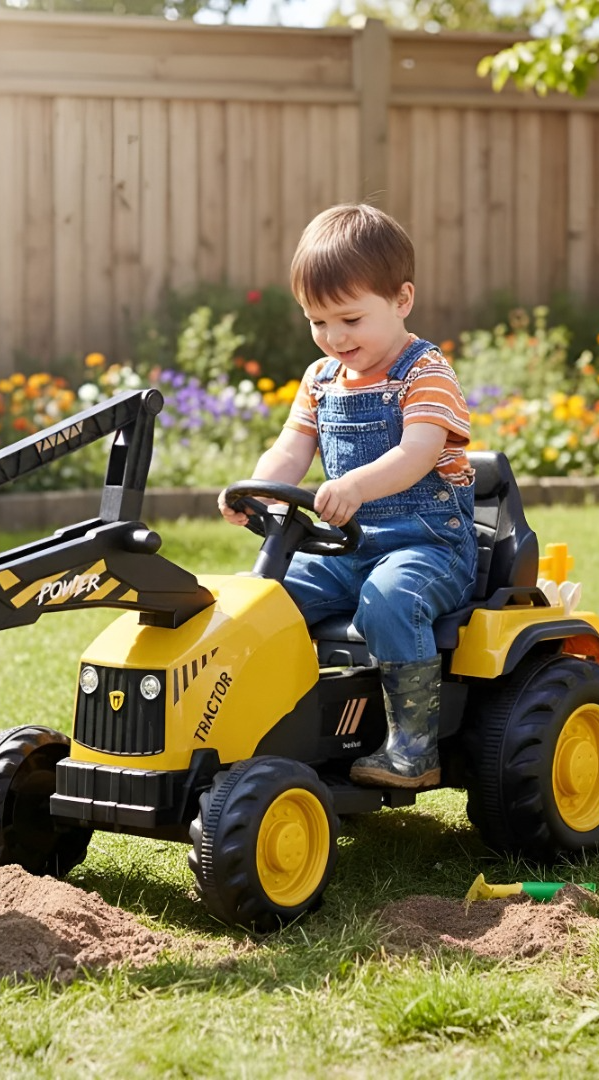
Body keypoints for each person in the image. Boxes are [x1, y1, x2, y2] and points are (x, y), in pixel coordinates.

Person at [218, 204, 477, 789]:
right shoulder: (320, 379)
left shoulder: (425, 372)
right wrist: (255, 492)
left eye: (350, 319)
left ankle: (413, 747)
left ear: (401, 300)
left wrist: (355, 485)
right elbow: (290, 449)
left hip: (428, 546)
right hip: (344, 548)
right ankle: (271, 729)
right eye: (317, 321)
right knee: (265, 599)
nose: (334, 337)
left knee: (390, 599)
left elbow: (417, 453)